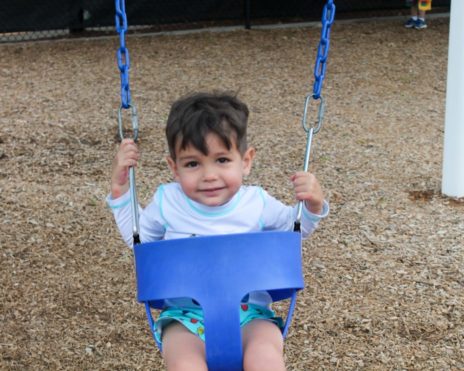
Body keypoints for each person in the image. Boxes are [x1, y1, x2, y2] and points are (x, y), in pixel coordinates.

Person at [107, 92, 329, 371]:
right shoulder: (168, 202)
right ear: (174, 168)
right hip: (185, 317)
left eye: (222, 160)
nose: (209, 175)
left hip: (250, 314)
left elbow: (293, 233)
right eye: (192, 164)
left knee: (266, 358)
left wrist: (312, 205)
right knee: (184, 365)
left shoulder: (256, 202)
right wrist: (120, 191)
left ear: (245, 161)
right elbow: (139, 241)